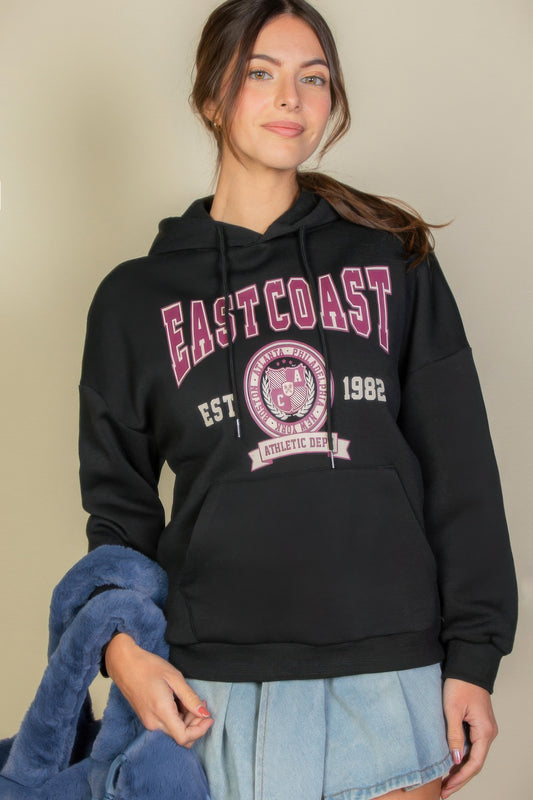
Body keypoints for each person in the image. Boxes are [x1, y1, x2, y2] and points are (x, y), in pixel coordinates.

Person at [78, 1, 518, 799]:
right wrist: (120, 649)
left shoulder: (393, 261)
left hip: (389, 672)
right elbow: (118, 515)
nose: (291, 97)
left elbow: (459, 469)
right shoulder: (134, 301)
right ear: (210, 98)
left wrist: (473, 658)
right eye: (260, 73)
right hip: (211, 687)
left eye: (313, 78)